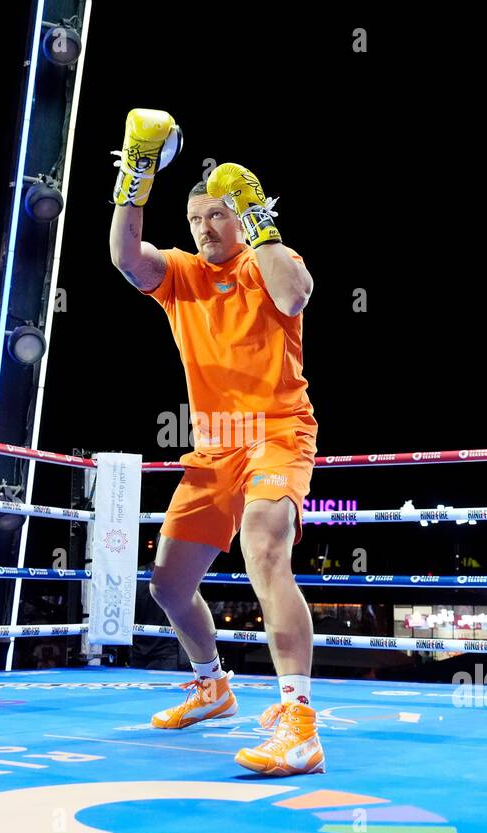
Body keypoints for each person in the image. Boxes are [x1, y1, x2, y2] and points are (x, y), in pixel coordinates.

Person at [110, 108, 322, 775]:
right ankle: (214, 685)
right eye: (197, 219)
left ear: (243, 216)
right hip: (214, 448)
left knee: (264, 544)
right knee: (169, 586)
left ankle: (299, 719)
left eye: (218, 216)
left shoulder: (267, 262)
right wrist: (135, 180)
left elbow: (295, 295)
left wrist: (258, 216)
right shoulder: (181, 276)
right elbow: (123, 256)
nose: (204, 228)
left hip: (279, 431)